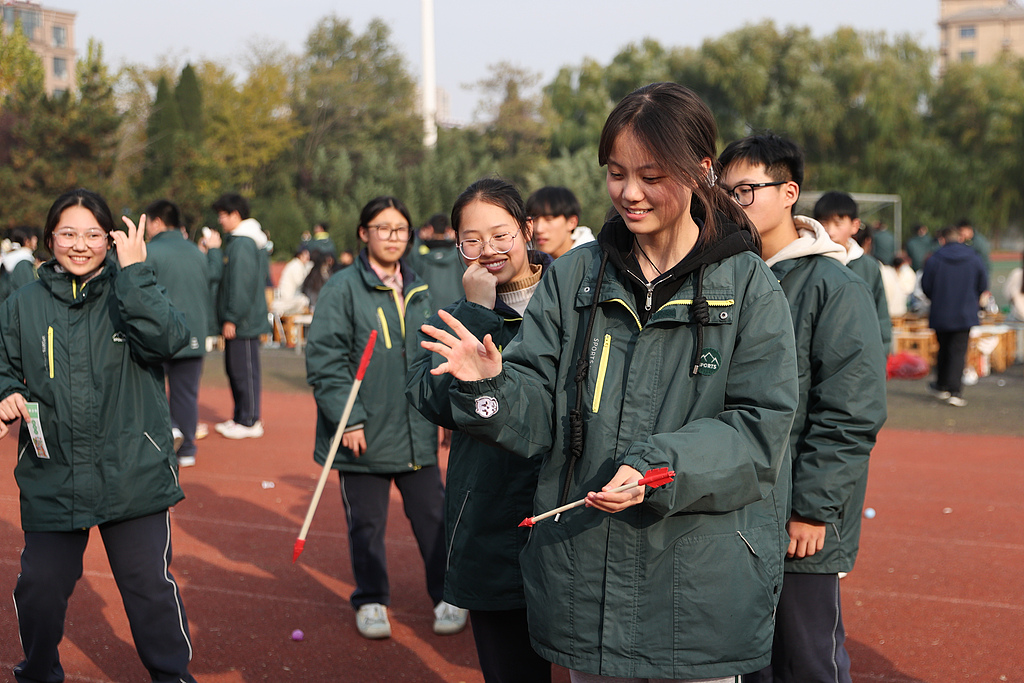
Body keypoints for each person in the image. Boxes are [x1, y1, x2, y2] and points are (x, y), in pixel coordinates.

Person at [420, 83, 800, 682]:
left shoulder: (749, 285)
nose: (629, 192)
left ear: (701, 170)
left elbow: (759, 431)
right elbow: (536, 409)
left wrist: (655, 467)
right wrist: (489, 386)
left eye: (651, 175)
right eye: (617, 173)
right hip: (587, 585)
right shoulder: (574, 277)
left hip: (698, 591)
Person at [0, 188, 198, 683]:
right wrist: (4, 391)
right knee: (40, 589)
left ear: (111, 241)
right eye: (68, 233)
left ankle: (172, 676)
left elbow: (169, 340)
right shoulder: (22, 303)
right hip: (53, 472)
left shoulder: (131, 288)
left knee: (149, 589)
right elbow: (2, 365)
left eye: (93, 234)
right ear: (50, 239)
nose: (80, 244)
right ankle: (39, 671)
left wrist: (135, 274)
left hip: (132, 470)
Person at [718, 133, 888, 683]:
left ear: (788, 191)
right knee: (749, 661)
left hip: (800, 517)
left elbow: (851, 410)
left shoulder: (832, 286)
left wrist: (813, 508)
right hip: (736, 508)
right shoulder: (726, 278)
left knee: (806, 659)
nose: (733, 203)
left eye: (746, 189)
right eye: (724, 193)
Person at [407, 179, 553, 683]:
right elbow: (431, 399)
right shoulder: (455, 316)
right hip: (493, 514)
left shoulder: (576, 301)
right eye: (472, 240)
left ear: (526, 230)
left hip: (567, 509)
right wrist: (476, 312)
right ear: (457, 245)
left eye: (500, 235)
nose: (488, 251)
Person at [305, 196, 465, 641]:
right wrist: (349, 419)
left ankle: (447, 593)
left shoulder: (421, 286)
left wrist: (447, 412)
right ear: (363, 233)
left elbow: (438, 353)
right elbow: (325, 361)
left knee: (434, 517)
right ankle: (371, 598)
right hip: (365, 433)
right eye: (383, 228)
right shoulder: (341, 288)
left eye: (400, 229)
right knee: (368, 523)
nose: (393, 237)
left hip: (417, 429)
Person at [144, 199, 216, 468]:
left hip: (158, 333)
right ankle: (186, 448)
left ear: (156, 222)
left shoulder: (150, 251)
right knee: (186, 393)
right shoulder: (198, 253)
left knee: (151, 390)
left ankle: (160, 441)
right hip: (194, 332)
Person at [211, 192, 271, 439]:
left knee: (244, 370)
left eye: (223, 216)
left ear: (235, 215)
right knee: (236, 369)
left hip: (244, 321)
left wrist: (232, 317)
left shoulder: (243, 243)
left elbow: (241, 284)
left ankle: (249, 420)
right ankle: (240, 416)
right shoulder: (241, 240)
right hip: (242, 320)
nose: (220, 221)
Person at [814, 191, 892, 352]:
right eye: (823, 223)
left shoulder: (868, 266)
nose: (830, 231)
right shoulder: (809, 263)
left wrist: (882, 354)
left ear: (855, 226)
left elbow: (881, 315)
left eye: (838, 223)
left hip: (860, 354)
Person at [921, 226, 988, 407]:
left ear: (942, 239)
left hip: (941, 311)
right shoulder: (974, 258)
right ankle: (955, 390)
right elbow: (983, 283)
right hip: (965, 312)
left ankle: (942, 384)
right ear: (959, 238)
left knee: (943, 347)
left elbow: (926, 285)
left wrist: (936, 297)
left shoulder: (935, 259)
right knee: (958, 350)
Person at [406, 213, 465, 311]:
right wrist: (458, 239)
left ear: (430, 229)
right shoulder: (460, 254)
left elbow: (409, 250)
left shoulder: (421, 256)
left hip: (428, 311)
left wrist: (418, 235)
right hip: (457, 311)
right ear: (448, 230)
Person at [525, 186, 595, 259]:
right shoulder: (525, 262)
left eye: (548, 219)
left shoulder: (594, 263)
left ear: (572, 222)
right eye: (534, 220)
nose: (539, 229)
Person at [0, 226, 39, 303]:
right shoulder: (23, 261)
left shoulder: (12, 257)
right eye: (33, 237)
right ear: (27, 241)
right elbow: (28, 292)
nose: (36, 240)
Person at [273, 244, 312, 316]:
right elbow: (300, 282)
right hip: (287, 300)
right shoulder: (296, 265)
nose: (308, 257)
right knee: (305, 301)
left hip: (290, 297)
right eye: (306, 255)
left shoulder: (299, 265)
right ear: (300, 255)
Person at [1005, 249, 1024, 322]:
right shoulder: (1017, 274)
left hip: (1017, 319)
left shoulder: (1016, 274)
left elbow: (1008, 294)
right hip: (1017, 319)